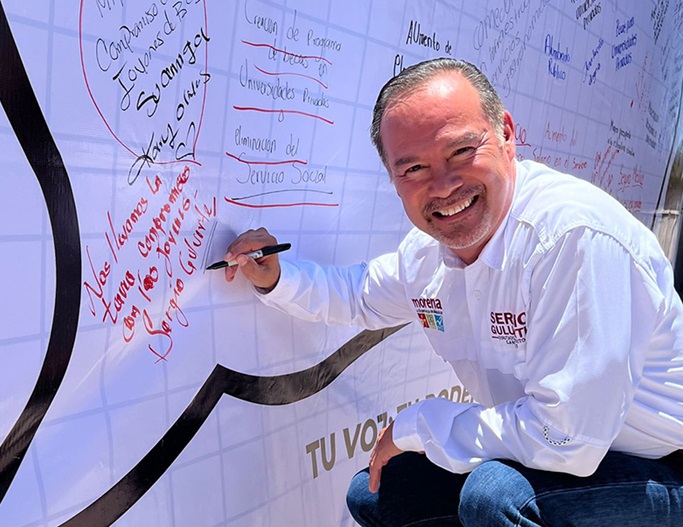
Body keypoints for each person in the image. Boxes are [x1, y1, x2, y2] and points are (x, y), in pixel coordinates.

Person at [222, 58, 683, 526]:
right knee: (380, 494)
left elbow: (568, 440)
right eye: (414, 168)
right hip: (560, 454)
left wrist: (419, 425)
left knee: (495, 497)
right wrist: (275, 277)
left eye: (461, 151)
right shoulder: (427, 254)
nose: (443, 186)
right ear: (394, 180)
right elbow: (360, 294)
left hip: (658, 465)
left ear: (506, 134)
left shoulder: (571, 237)